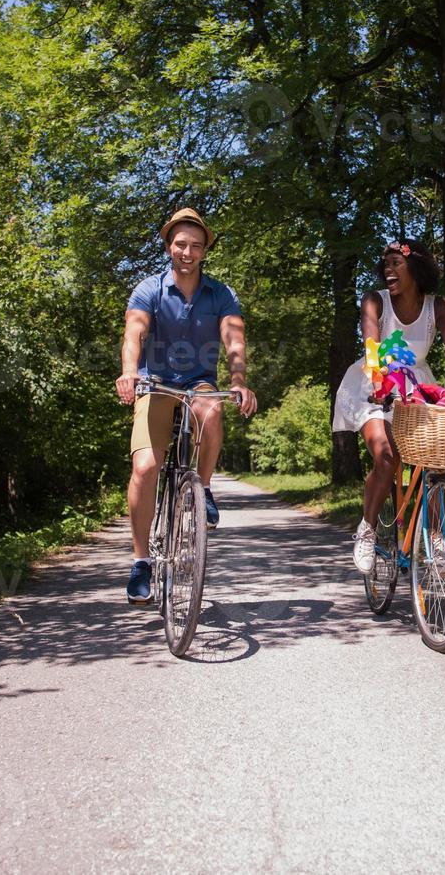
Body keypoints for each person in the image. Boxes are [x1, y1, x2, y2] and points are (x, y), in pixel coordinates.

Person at [116, 208, 258, 605]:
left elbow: (234, 340)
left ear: (205, 250)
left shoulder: (221, 294)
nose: (188, 251)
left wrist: (238, 381)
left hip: (198, 382)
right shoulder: (149, 288)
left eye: (196, 245)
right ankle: (141, 562)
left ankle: (205, 488)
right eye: (181, 244)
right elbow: (134, 332)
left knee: (211, 409)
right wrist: (129, 372)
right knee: (145, 467)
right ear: (168, 247)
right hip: (154, 383)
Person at [331, 238, 445, 574]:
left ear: (416, 267)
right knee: (386, 456)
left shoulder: (437, 307)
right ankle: (367, 530)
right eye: (385, 264)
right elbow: (372, 342)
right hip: (374, 384)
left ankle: (438, 538)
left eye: (396, 262)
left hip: (415, 387)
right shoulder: (375, 301)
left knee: (437, 459)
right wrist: (377, 383)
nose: (388, 269)